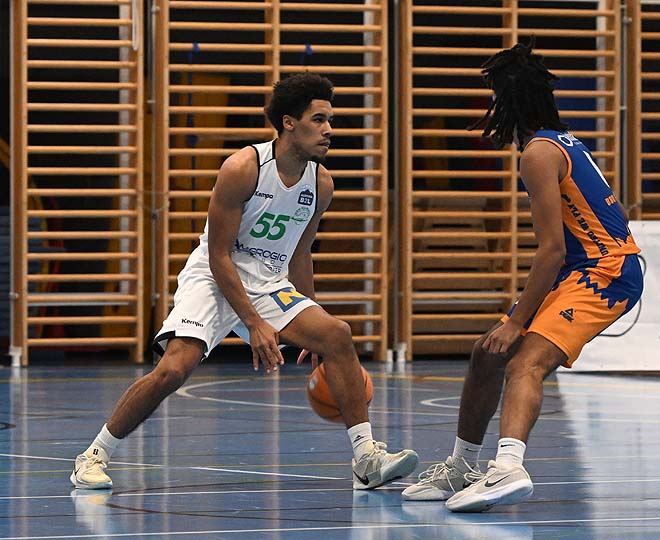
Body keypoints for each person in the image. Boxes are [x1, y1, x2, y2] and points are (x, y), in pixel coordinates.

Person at [71, 72, 418, 491]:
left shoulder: (320, 184)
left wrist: (313, 319)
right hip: (215, 277)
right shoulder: (243, 168)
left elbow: (300, 254)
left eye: (330, 120)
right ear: (289, 123)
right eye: (319, 120)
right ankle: (94, 455)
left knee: (337, 334)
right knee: (174, 370)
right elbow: (219, 255)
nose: (329, 130)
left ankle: (366, 459)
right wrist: (253, 322)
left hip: (268, 281)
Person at [402, 39, 643, 512]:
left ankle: (509, 467)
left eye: (495, 99)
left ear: (509, 103)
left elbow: (551, 250)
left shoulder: (537, 153)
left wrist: (517, 321)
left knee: (524, 361)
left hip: (604, 273)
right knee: (486, 354)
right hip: (582, 268)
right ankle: (462, 467)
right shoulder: (561, 142)